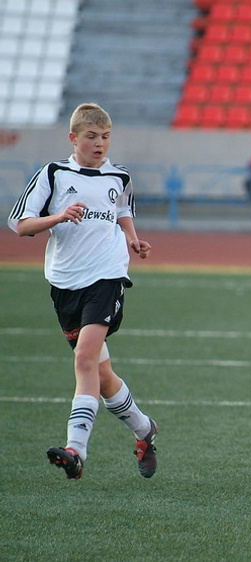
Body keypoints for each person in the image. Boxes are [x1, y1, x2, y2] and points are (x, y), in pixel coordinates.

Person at [7, 103, 158, 479]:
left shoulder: (119, 176)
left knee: (85, 360)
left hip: (107, 278)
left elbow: (122, 210)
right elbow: (21, 225)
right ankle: (144, 429)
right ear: (73, 138)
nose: (99, 143)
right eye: (91, 136)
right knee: (101, 374)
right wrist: (59, 216)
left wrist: (132, 239)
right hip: (64, 284)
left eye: (105, 137)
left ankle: (76, 450)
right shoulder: (54, 173)